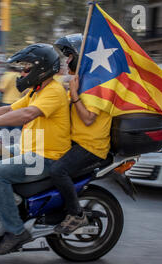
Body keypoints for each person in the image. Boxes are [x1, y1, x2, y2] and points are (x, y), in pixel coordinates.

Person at [0, 44, 71, 255]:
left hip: (46, 156)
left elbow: (26, 115)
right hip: (28, 148)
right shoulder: (37, 91)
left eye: (26, 68)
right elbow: (10, 108)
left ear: (42, 68)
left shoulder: (54, 91)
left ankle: (16, 231)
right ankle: (1, 206)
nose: (22, 73)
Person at [51, 34, 113, 235]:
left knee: (58, 171)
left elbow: (88, 119)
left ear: (81, 56)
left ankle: (77, 215)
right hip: (75, 141)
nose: (66, 60)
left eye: (69, 55)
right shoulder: (82, 79)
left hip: (91, 146)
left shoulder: (98, 83)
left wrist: (75, 93)